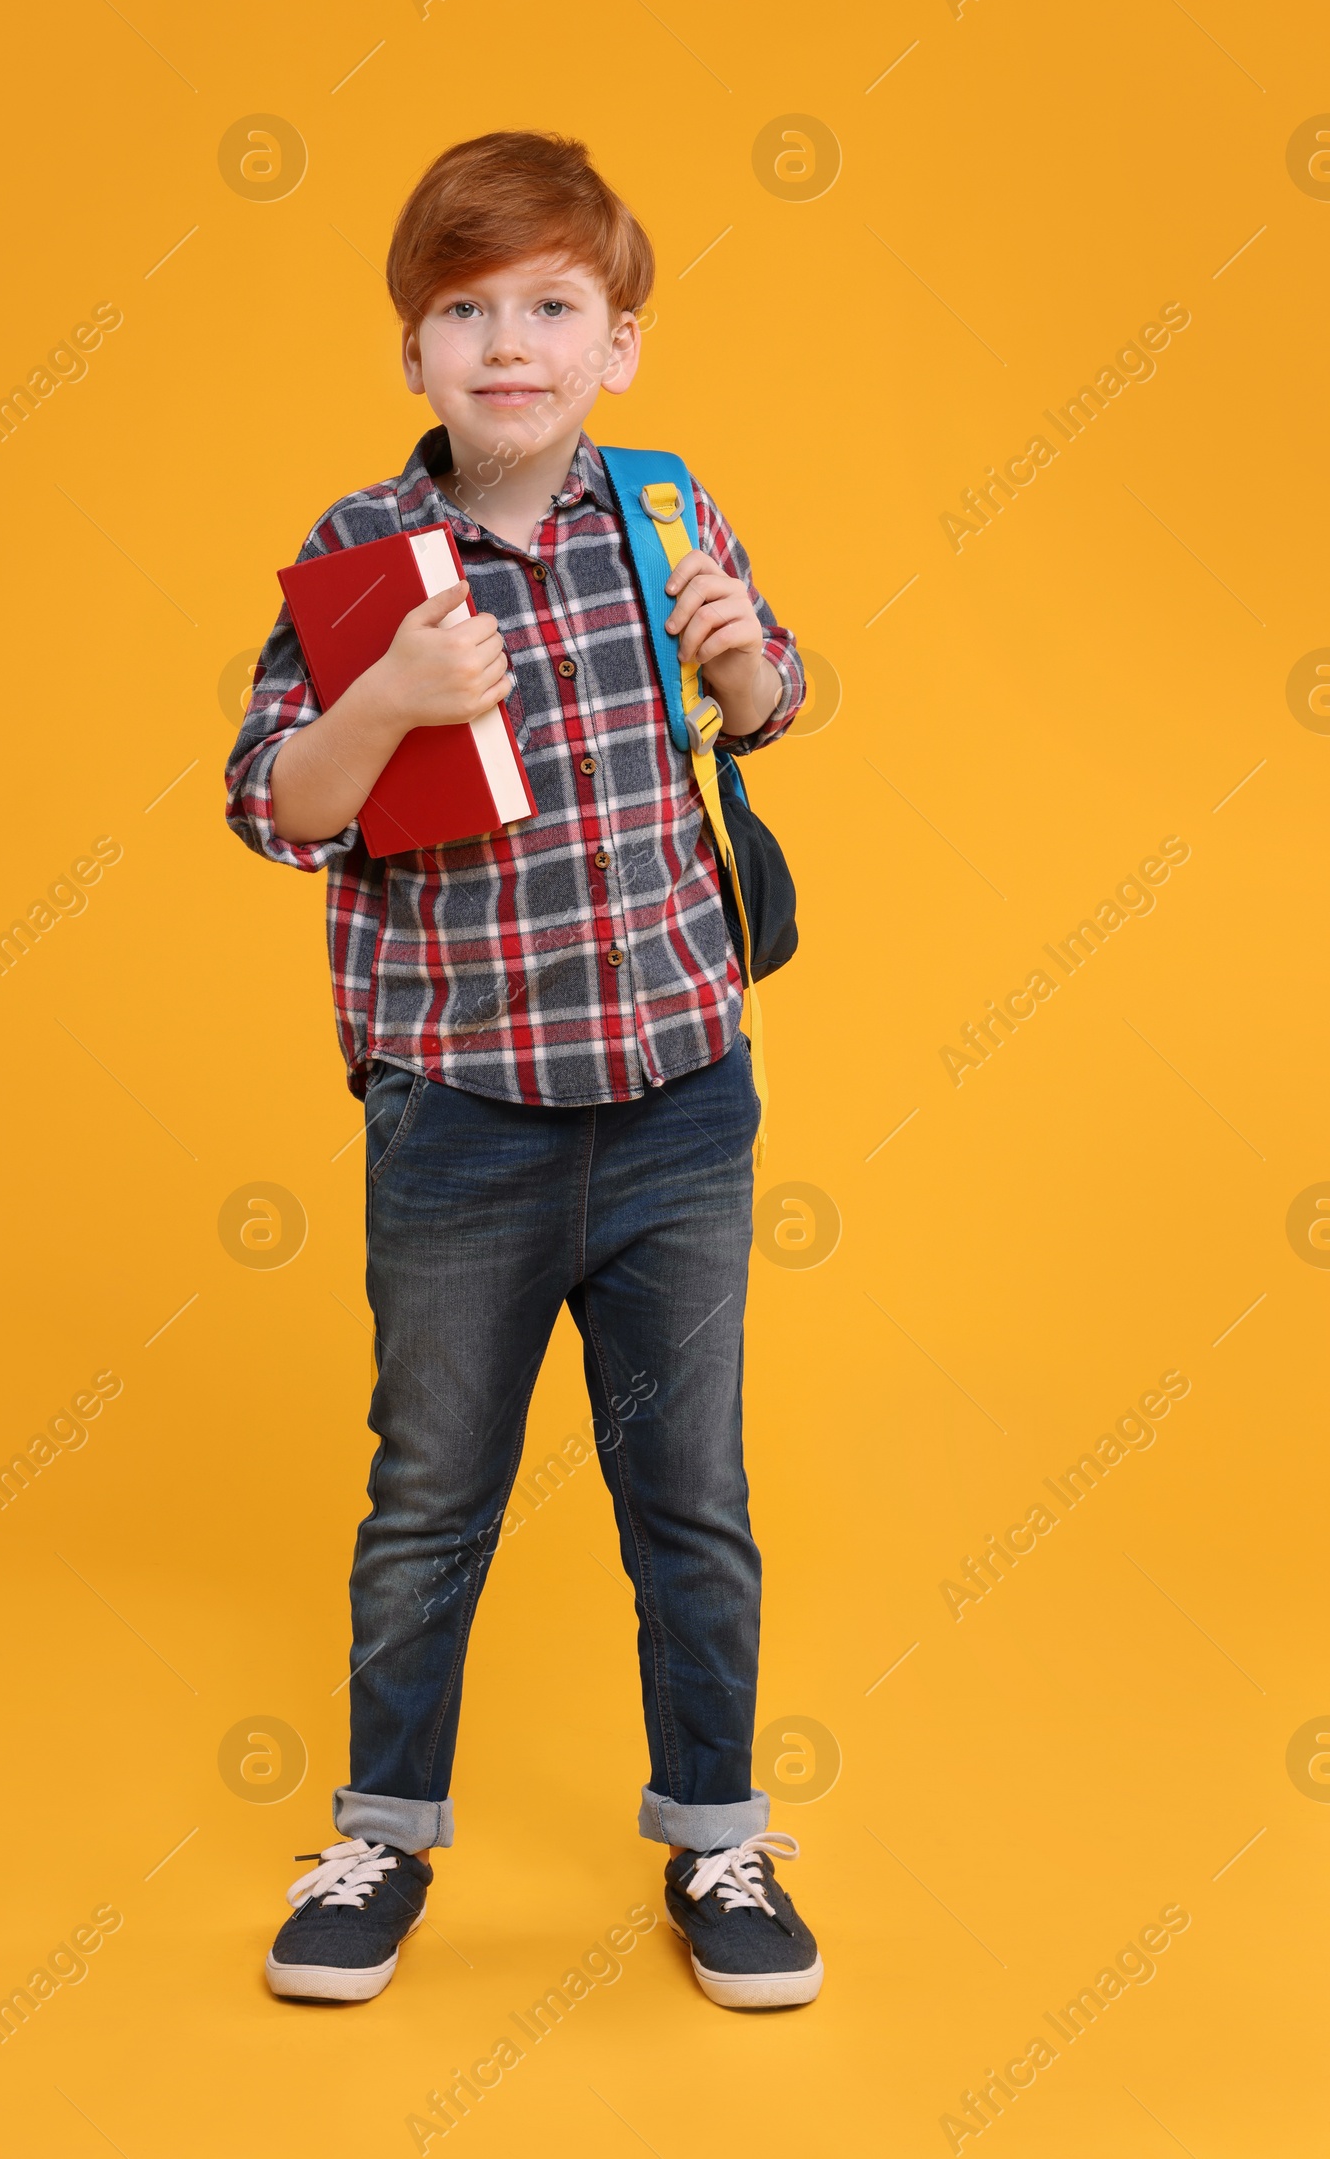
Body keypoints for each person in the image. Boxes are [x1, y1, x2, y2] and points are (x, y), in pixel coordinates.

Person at [225, 130, 820, 2010]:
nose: (509, 343)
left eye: (553, 307)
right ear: (413, 351)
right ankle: (380, 1840)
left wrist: (744, 665)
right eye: (464, 309)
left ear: (617, 344)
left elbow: (772, 700)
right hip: (462, 1118)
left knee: (692, 1498)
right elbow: (272, 804)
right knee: (430, 1492)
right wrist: (389, 700)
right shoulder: (356, 558)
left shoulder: (663, 512)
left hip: (676, 1100)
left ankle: (717, 1834)